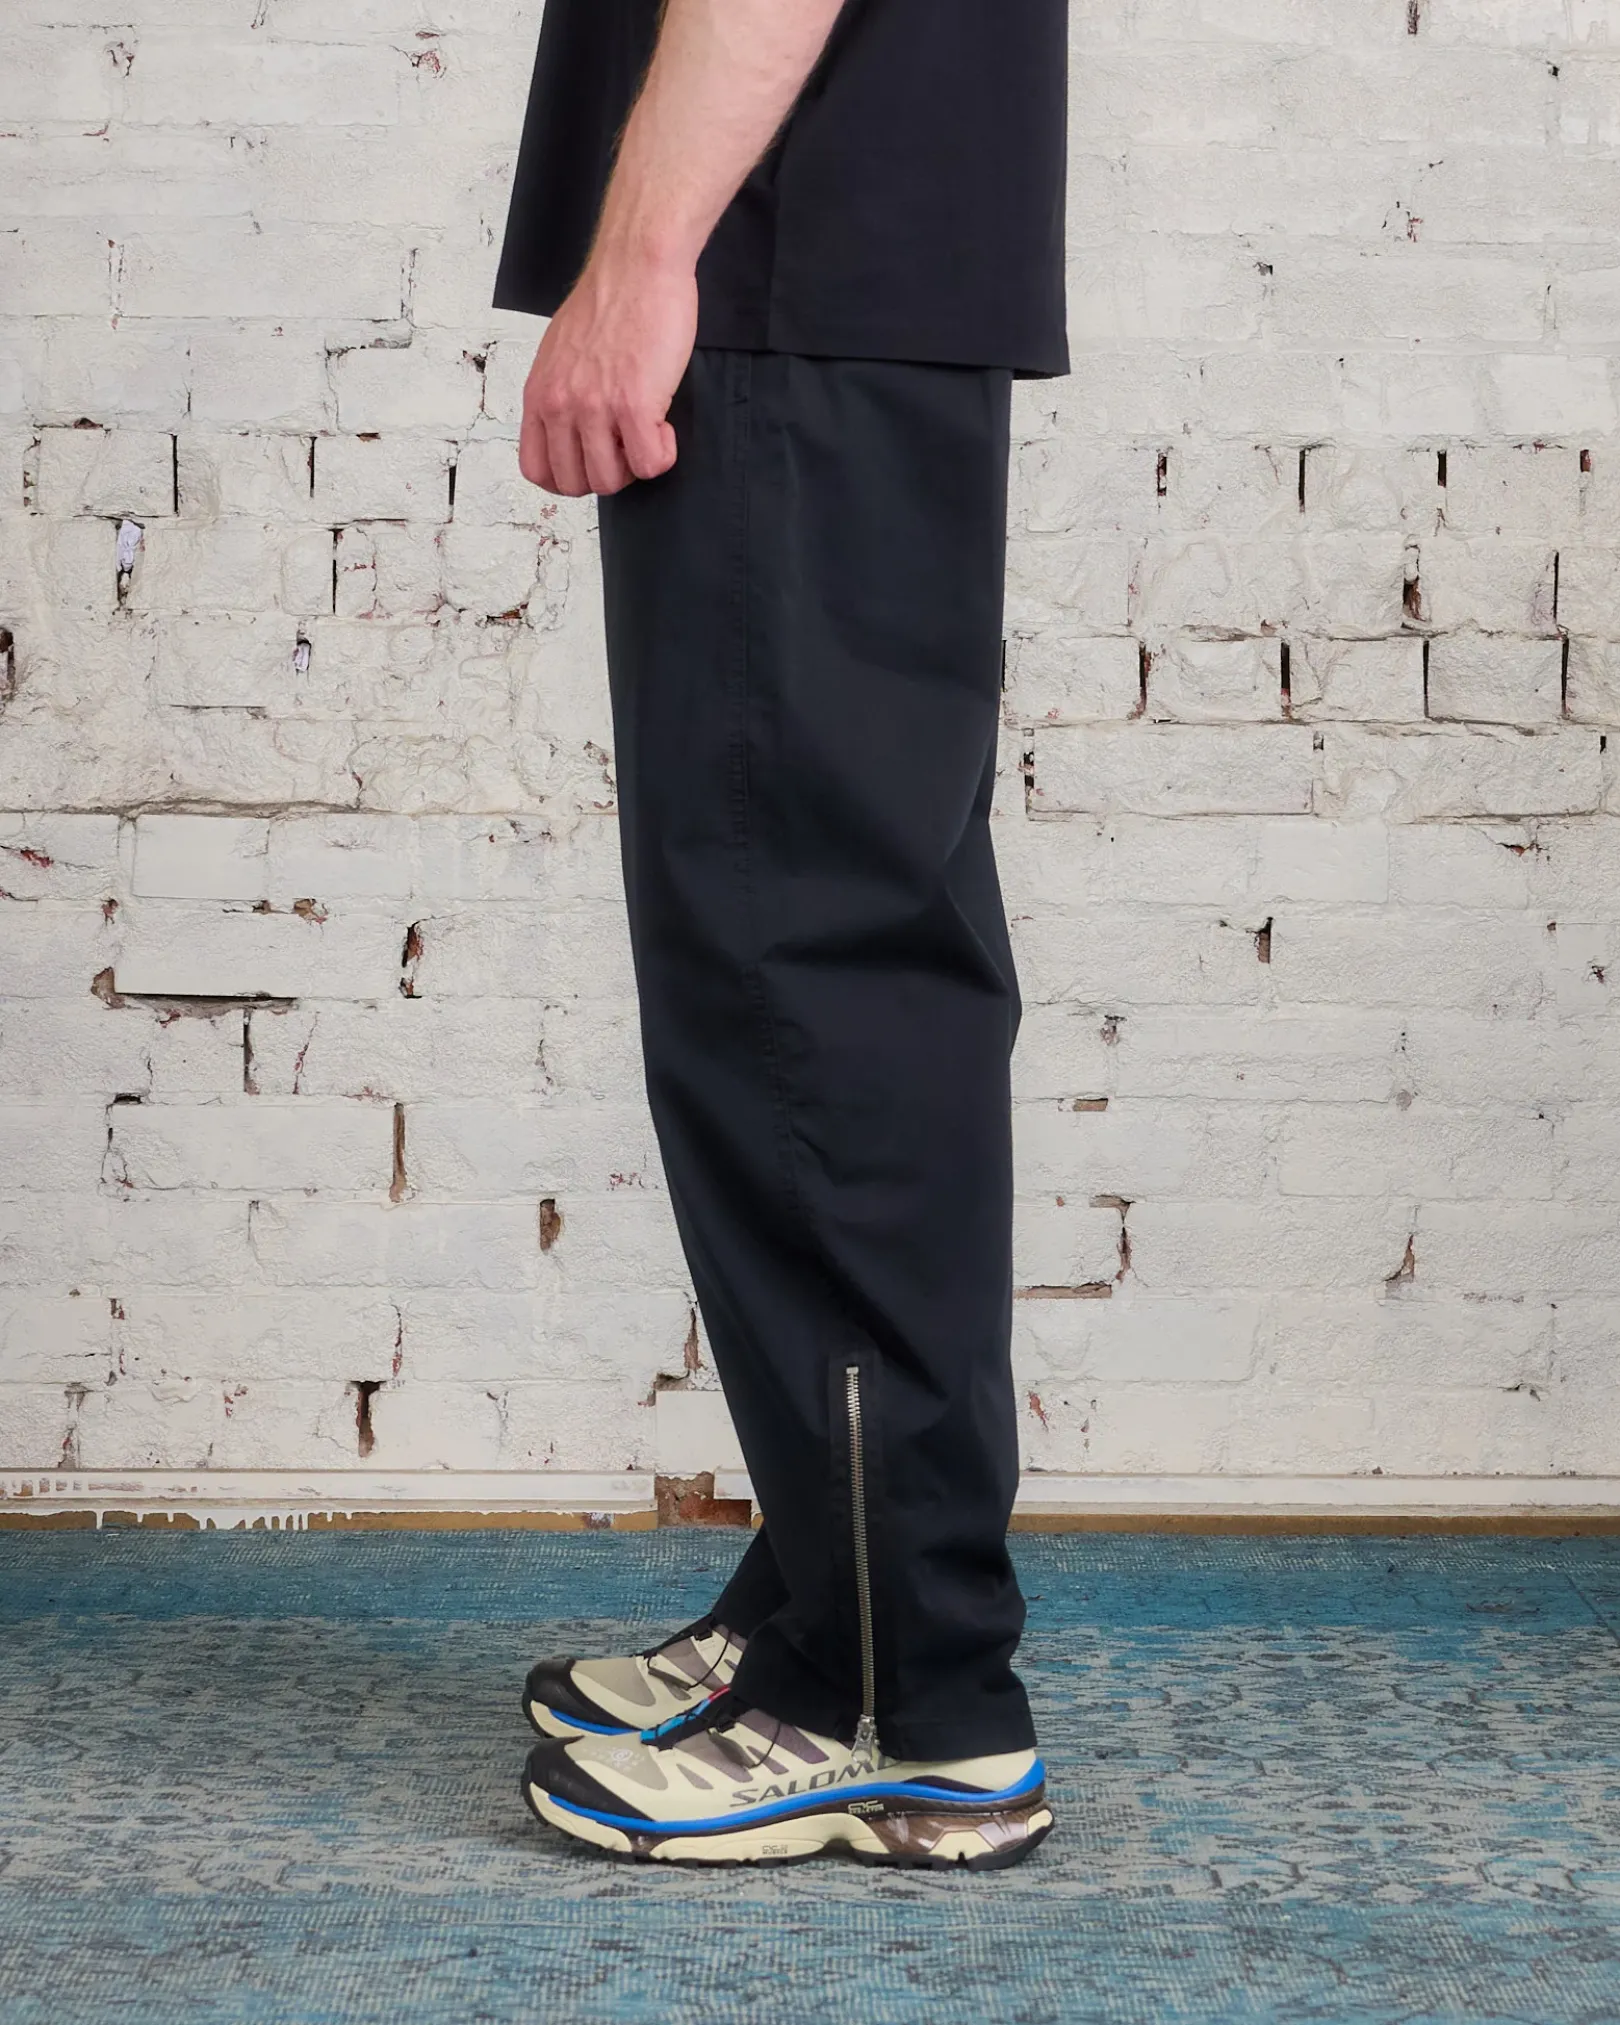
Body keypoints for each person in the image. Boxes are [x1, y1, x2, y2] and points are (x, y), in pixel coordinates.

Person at [493, 0, 1069, 1869]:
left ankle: (905, 1696)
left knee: (804, 980)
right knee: (833, 956)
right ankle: (828, 1594)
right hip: (830, 272)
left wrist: (644, 255)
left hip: (781, 268)